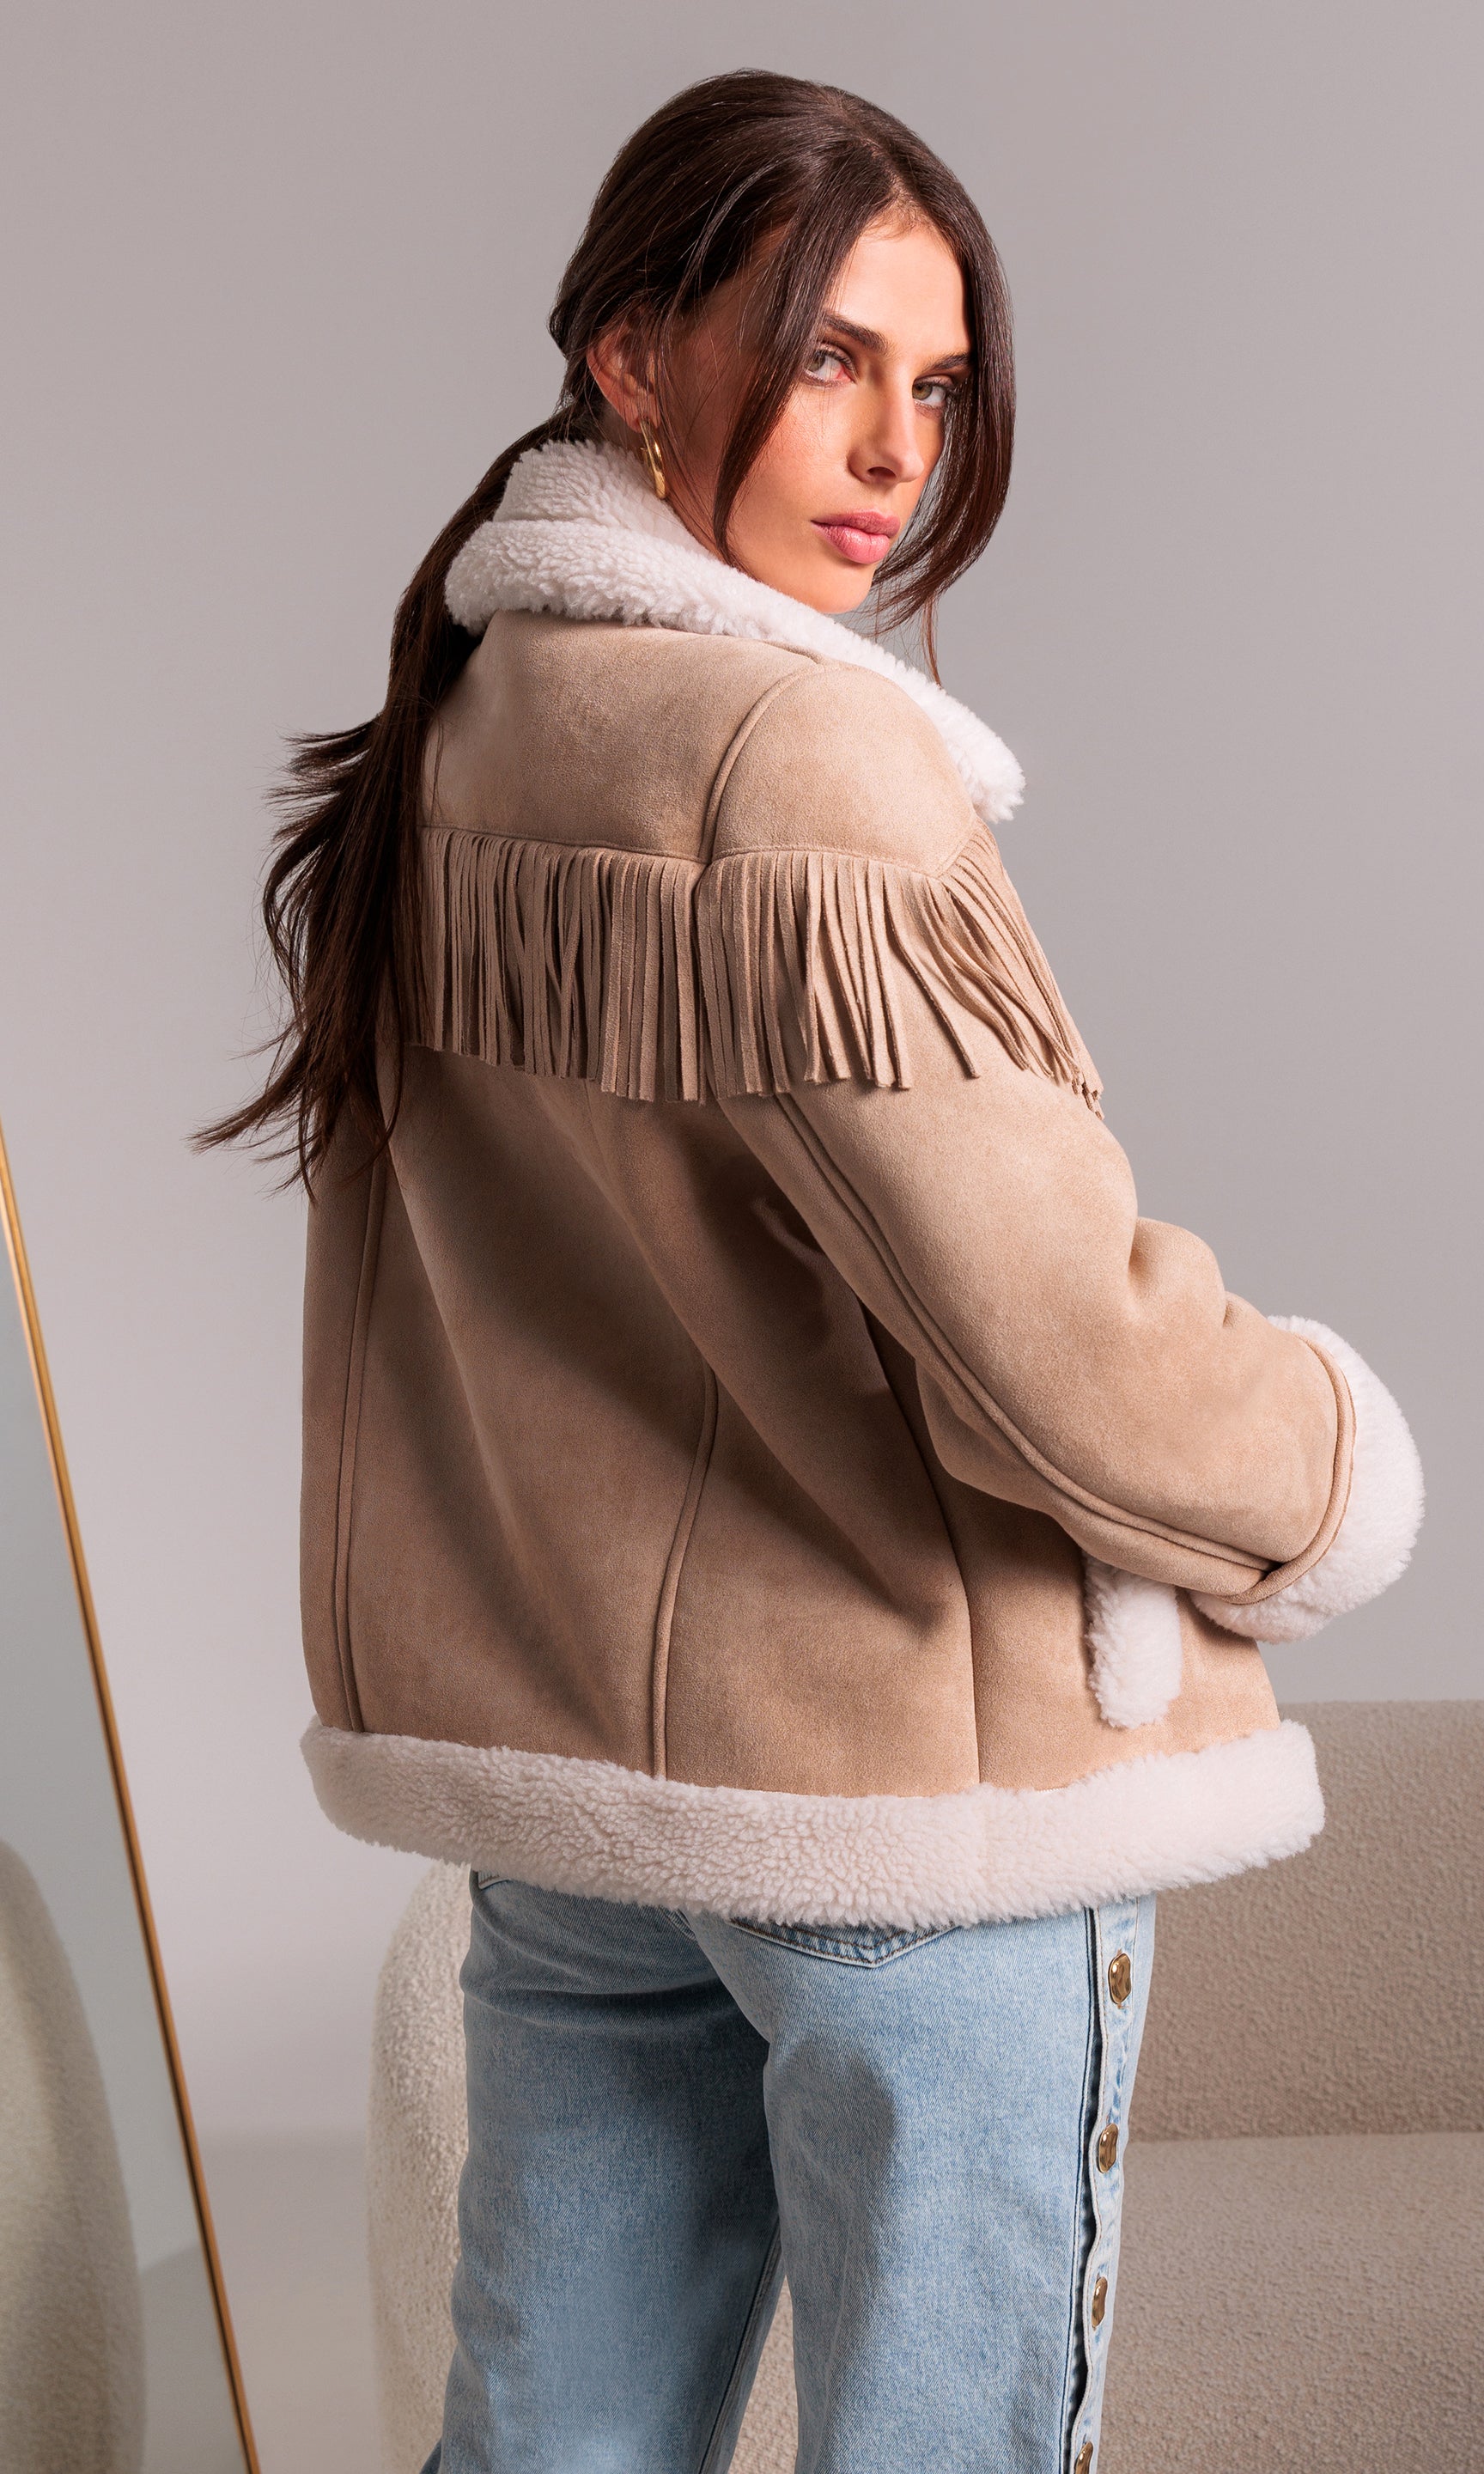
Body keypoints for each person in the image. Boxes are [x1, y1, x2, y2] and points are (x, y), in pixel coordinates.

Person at [208, 67, 1423, 2474]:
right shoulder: (794, 761)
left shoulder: (461, 735)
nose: (891, 446)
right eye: (826, 351)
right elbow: (1068, 1354)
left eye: (936, 379)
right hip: (915, 1804)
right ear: (630, 353)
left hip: (591, 1813)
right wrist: (1330, 1467)